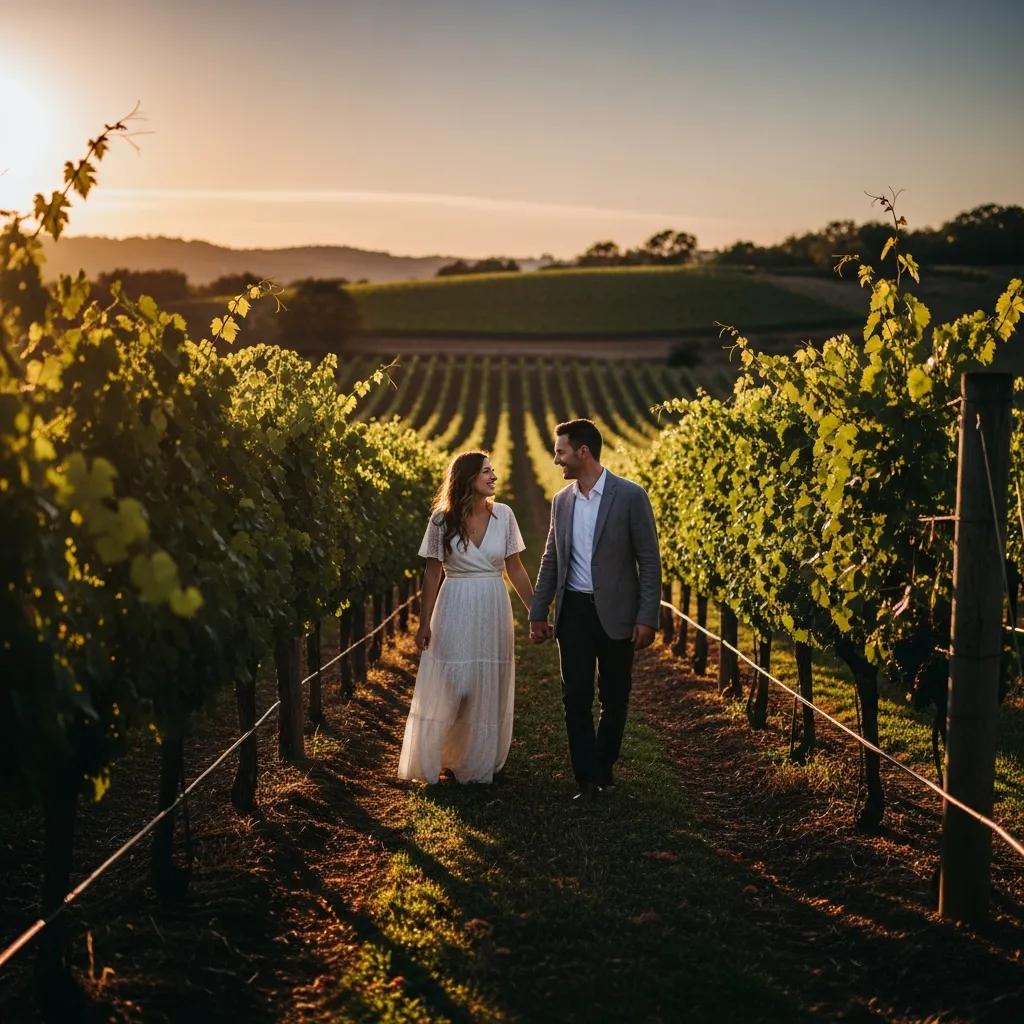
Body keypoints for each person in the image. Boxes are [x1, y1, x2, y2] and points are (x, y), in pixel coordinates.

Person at [529, 419, 661, 801]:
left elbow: (649, 561)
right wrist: (539, 611)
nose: (556, 460)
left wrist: (646, 617)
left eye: (561, 452)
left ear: (582, 451)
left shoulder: (631, 496)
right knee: (576, 698)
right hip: (574, 613)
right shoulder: (561, 502)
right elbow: (551, 559)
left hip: (618, 613)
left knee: (616, 696)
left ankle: (604, 767)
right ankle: (587, 778)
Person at [398, 450, 534, 784]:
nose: (494, 477)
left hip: (492, 604)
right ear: (467, 477)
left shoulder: (504, 515)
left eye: (493, 470)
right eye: (486, 471)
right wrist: (423, 622)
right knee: (454, 684)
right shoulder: (441, 521)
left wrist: (536, 612)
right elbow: (431, 574)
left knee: (484, 686)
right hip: (455, 603)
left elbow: (515, 568)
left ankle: (473, 762)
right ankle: (440, 754)